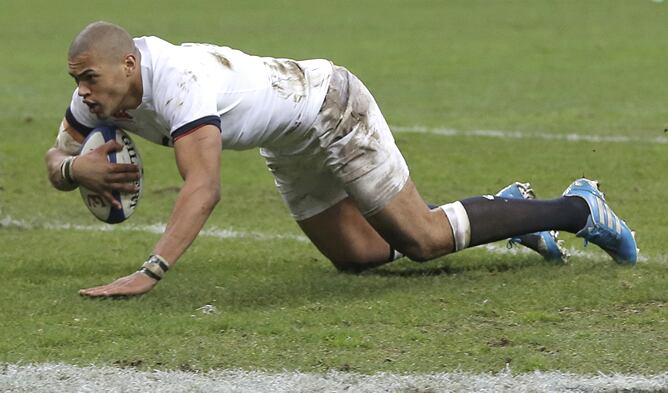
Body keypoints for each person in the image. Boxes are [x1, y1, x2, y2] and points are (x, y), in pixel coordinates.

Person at [45, 21, 638, 298]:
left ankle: (578, 208)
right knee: (359, 258)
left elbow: (203, 187)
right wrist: (76, 170)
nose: (85, 93)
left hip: (329, 103)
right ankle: (504, 213)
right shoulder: (92, 96)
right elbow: (56, 158)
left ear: (128, 66)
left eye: (91, 78)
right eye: (78, 82)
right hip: (288, 140)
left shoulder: (180, 80)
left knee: (423, 239)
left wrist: (149, 271)